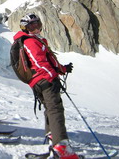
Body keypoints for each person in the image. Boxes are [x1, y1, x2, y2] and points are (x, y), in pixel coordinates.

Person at [12, 13, 78, 159]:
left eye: (37, 24)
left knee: (50, 109)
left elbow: (49, 61)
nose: (36, 27)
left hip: (40, 80)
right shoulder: (29, 41)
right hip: (44, 80)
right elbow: (39, 63)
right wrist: (52, 78)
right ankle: (62, 149)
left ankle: (53, 142)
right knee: (55, 109)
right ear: (25, 27)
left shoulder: (36, 40)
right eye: (31, 25)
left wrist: (63, 69)